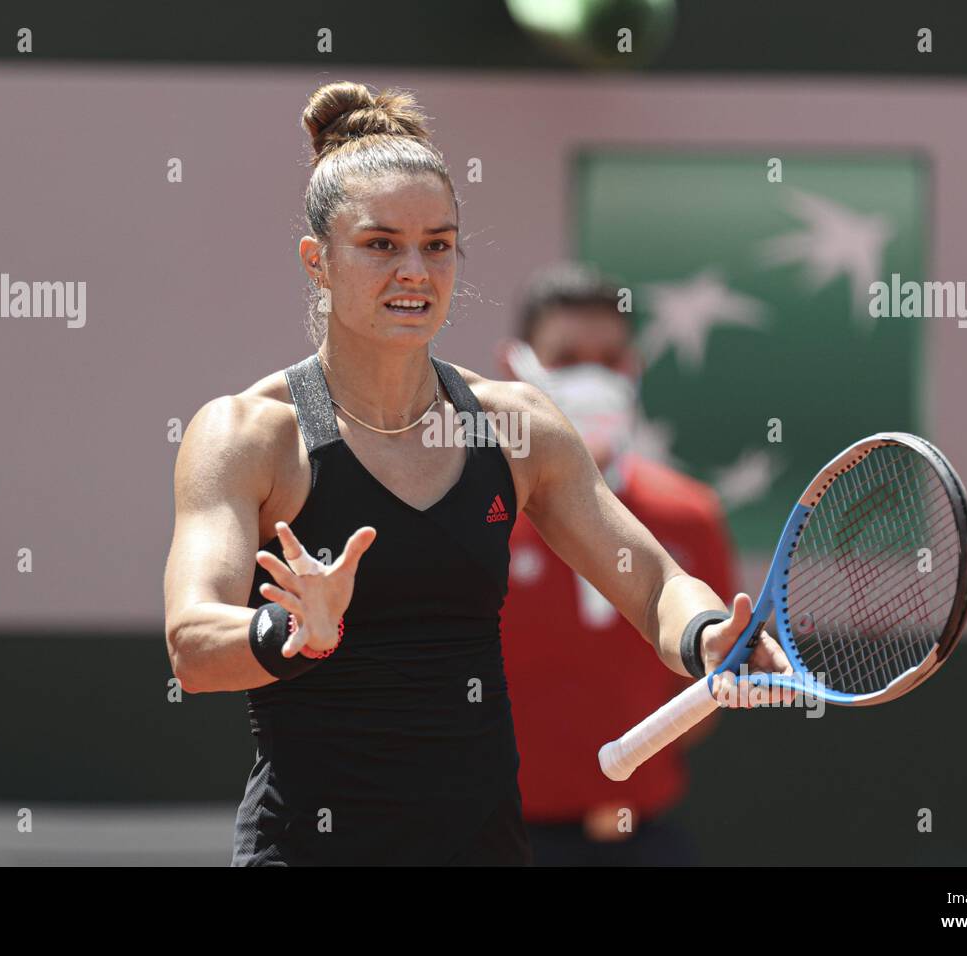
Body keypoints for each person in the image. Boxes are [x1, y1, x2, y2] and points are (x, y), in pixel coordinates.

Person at [162, 81, 789, 867]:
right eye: (381, 244)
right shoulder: (247, 435)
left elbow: (653, 582)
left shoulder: (518, 428)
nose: (415, 271)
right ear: (317, 261)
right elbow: (191, 645)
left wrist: (705, 635)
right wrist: (293, 630)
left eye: (438, 243)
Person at [497, 264, 737, 865]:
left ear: (634, 368)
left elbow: (705, 687)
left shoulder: (690, 514)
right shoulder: (475, 512)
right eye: (568, 356)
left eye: (608, 358)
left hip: (641, 840)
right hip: (492, 839)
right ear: (517, 367)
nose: (591, 376)